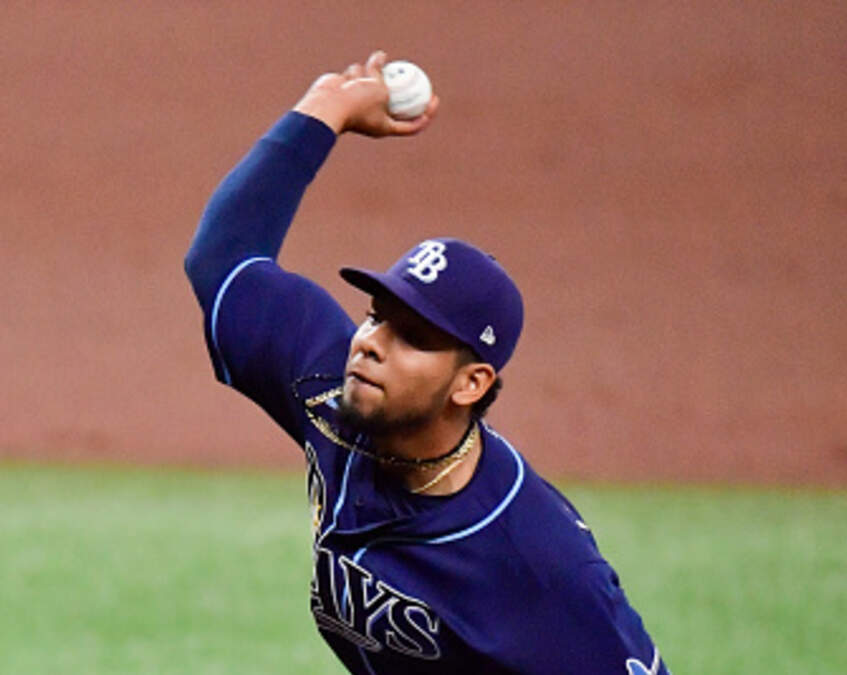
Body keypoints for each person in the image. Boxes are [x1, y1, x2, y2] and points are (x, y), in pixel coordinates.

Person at [184, 50, 668, 674]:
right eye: (375, 315)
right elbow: (223, 259)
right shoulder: (332, 389)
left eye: (412, 337)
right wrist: (328, 106)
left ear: (471, 384)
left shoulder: (538, 566)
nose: (370, 343)